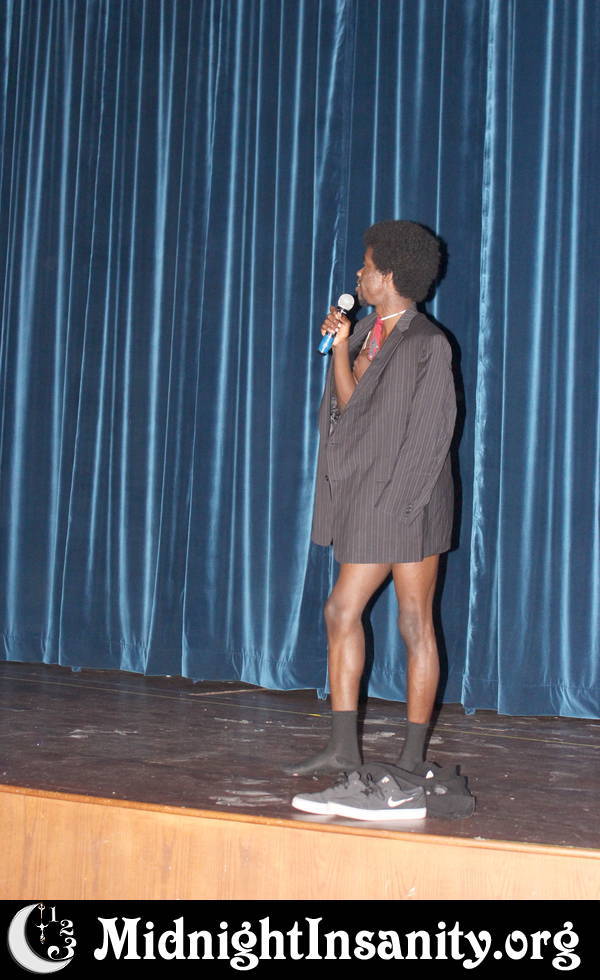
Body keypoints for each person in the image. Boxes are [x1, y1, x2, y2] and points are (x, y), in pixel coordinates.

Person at [285, 220, 456, 776]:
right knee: (344, 613)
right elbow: (349, 411)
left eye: (366, 266)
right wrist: (340, 348)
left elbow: (433, 436)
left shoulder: (428, 343)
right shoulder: (363, 333)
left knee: (413, 622)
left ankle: (410, 759)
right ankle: (343, 747)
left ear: (389, 276)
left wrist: (398, 511)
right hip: (366, 497)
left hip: (409, 505)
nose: (358, 273)